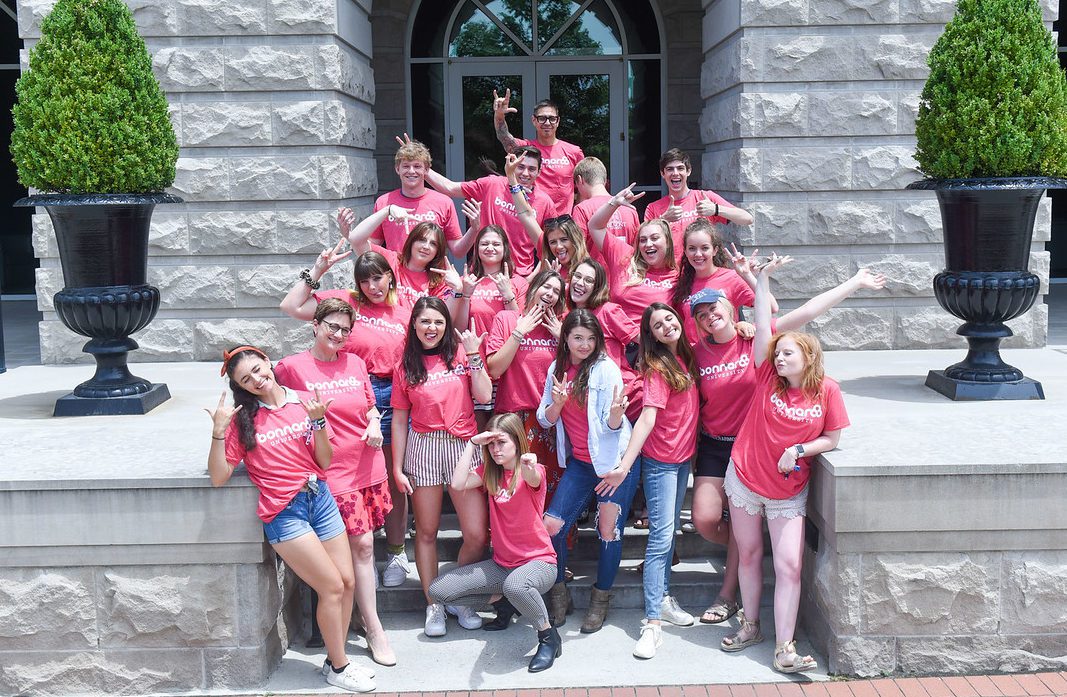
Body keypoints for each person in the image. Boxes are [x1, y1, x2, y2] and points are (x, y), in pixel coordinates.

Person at [690, 265, 885, 628]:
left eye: (715, 308)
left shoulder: (761, 345)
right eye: (701, 314)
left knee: (751, 539)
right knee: (706, 520)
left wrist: (854, 282)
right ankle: (742, 580)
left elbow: (809, 310)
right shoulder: (698, 351)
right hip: (720, 446)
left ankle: (729, 595)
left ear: (734, 307)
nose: (709, 317)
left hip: (761, 445)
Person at [207, 346, 374, 692]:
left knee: (347, 583)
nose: (256, 379)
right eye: (245, 378)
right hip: (284, 512)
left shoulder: (302, 401)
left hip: (320, 500)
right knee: (330, 587)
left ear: (268, 361)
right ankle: (341, 669)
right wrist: (219, 431)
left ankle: (334, 658)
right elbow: (219, 476)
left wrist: (319, 422)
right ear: (240, 386)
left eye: (257, 368)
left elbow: (324, 462)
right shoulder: (243, 418)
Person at [718, 255, 852, 675]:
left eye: (787, 353)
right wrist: (759, 279)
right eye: (777, 353)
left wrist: (800, 451)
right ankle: (750, 626)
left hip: (788, 490)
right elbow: (762, 325)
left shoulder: (827, 391)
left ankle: (785, 647)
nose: (779, 358)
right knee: (751, 554)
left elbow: (832, 438)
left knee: (790, 564)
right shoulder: (764, 378)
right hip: (744, 478)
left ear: (807, 357)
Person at [279, 243, 414, 590]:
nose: (373, 286)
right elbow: (292, 306)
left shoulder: (405, 308)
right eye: (365, 280)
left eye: (379, 277)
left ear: (391, 277)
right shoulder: (347, 304)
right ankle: (349, 554)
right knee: (346, 475)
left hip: (393, 394)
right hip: (348, 394)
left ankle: (396, 550)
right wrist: (319, 268)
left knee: (392, 475)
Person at [273, 298, 396, 666]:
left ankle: (363, 619)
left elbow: (371, 404)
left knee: (365, 547)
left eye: (345, 329)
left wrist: (374, 421)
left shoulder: (356, 362)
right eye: (333, 327)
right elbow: (266, 402)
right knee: (359, 547)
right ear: (315, 324)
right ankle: (372, 627)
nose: (339, 335)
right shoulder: (291, 368)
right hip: (331, 472)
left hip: (368, 466)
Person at [429, 413, 562, 673]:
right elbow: (457, 484)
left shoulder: (531, 471)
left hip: (539, 563)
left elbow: (533, 477)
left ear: (517, 441)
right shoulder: (490, 473)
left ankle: (548, 636)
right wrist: (472, 444)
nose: (496, 449)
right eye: (492, 444)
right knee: (439, 591)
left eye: (502, 442)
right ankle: (505, 602)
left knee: (517, 585)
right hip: (502, 565)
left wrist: (528, 463)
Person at [391, 296, 492, 637]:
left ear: (447, 325)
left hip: (463, 446)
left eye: (438, 321)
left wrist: (476, 356)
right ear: (414, 325)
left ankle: (458, 595)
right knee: (427, 531)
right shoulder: (406, 365)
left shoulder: (461, 354)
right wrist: (397, 467)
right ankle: (433, 602)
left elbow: (483, 394)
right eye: (425, 322)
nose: (431, 328)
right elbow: (400, 420)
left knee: (477, 534)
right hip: (424, 446)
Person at [536, 310, 635, 633]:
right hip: (580, 462)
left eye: (591, 338)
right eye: (578, 337)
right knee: (552, 526)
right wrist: (559, 403)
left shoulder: (606, 370)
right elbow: (545, 419)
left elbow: (611, 426)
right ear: (565, 337)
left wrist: (617, 415)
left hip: (611, 464)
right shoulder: (557, 369)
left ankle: (600, 599)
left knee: (609, 530)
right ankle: (559, 594)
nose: (585, 344)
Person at [614, 303, 700, 659]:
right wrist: (625, 465)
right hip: (661, 463)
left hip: (682, 462)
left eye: (669, 319)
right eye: (657, 325)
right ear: (651, 336)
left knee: (669, 536)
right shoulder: (656, 369)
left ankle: (662, 600)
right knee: (660, 539)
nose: (666, 326)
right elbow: (647, 418)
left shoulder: (686, 357)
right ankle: (652, 624)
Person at [417, 135, 555, 277]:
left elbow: (551, 247)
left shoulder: (545, 202)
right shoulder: (492, 184)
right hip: (482, 273)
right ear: (512, 166)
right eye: (521, 167)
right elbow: (450, 187)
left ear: (539, 172)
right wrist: (419, 164)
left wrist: (532, 278)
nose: (525, 173)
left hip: (520, 276)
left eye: (532, 169)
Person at [485, 270, 566, 504]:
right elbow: (494, 369)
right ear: (532, 288)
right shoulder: (507, 319)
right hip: (512, 419)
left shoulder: (558, 327)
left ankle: (549, 541)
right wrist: (519, 332)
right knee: (512, 490)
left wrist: (562, 339)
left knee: (547, 493)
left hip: (549, 421)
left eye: (556, 292)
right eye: (546, 287)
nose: (549, 294)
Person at [586, 184, 679, 325]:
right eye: (643, 240)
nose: (648, 244)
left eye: (654, 238)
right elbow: (595, 226)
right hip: (618, 341)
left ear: (668, 242)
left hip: (654, 343)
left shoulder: (678, 275)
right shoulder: (624, 257)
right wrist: (614, 203)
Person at [342, 205, 463, 309]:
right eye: (422, 240)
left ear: (438, 251)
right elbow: (356, 240)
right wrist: (387, 210)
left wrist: (458, 289)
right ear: (411, 242)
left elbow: (443, 319)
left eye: (433, 244)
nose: (426, 247)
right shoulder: (391, 260)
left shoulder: (439, 281)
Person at [672, 220, 778, 339]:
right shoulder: (681, 283)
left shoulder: (731, 277)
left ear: (715, 250)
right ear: (685, 252)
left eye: (705, 248)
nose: (698, 254)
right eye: (692, 248)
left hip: (726, 354)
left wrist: (747, 275)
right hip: (693, 355)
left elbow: (772, 307)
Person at [643, 148, 753, 260]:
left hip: (702, 270)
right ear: (663, 173)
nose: (675, 173)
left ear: (688, 171)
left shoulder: (705, 197)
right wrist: (663, 220)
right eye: (670, 169)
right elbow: (644, 245)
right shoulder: (653, 208)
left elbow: (747, 219)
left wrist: (715, 209)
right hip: (670, 272)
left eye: (680, 168)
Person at [370, 138, 472, 258]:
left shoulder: (444, 202)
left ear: (426, 170)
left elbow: (458, 252)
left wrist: (474, 229)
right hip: (397, 273)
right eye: (406, 166)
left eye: (417, 166)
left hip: (433, 274)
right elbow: (371, 248)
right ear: (398, 169)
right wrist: (350, 235)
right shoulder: (383, 203)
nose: (411, 171)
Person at [493, 90, 584, 213]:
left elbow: (584, 188)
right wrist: (499, 115)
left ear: (558, 121)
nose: (547, 123)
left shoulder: (574, 152)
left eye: (552, 118)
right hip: (531, 218)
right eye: (542, 118)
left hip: (562, 224)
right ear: (534, 121)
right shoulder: (525, 149)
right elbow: (503, 135)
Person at [505, 152, 589, 281]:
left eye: (564, 240)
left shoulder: (589, 270)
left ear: (575, 241)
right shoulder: (549, 255)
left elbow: (596, 227)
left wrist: (612, 204)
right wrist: (512, 179)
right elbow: (526, 215)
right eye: (553, 242)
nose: (558, 246)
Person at [570, 156, 639, 266]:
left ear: (579, 180)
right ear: (604, 179)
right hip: (626, 276)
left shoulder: (581, 209)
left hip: (596, 278)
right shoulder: (629, 209)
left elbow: (577, 250)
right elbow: (637, 249)